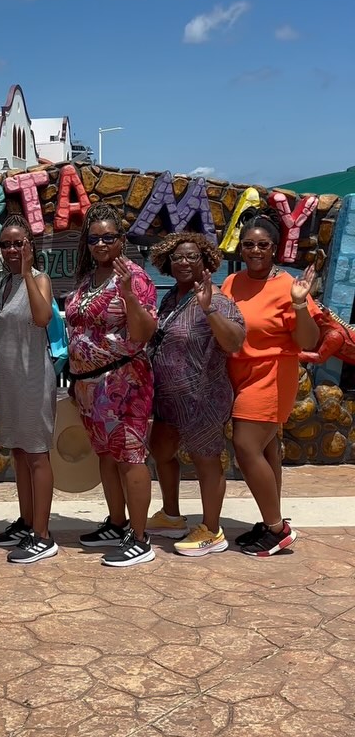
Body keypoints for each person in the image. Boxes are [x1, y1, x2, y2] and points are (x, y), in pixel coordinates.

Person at [222, 206, 319, 557]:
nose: (255, 250)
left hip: (271, 375)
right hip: (239, 374)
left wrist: (300, 304)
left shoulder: (289, 286)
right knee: (267, 450)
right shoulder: (232, 282)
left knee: (246, 446)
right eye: (249, 244)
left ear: (274, 248)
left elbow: (308, 340)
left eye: (263, 245)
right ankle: (269, 521)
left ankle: (278, 529)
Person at [65, 202, 158, 568]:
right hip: (89, 387)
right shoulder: (88, 279)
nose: (101, 244)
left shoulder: (135, 277)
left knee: (130, 458)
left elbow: (144, 332)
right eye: (94, 239)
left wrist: (129, 295)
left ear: (122, 239)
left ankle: (140, 537)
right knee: (107, 456)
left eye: (108, 237)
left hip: (125, 383)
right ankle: (117, 523)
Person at [148, 232, 245, 557]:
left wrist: (209, 310)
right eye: (177, 257)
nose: (184, 262)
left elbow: (234, 341)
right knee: (161, 451)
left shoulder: (217, 300)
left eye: (192, 256)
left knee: (206, 460)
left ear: (206, 262)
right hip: (168, 399)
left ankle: (212, 530)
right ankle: (171, 516)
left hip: (202, 397)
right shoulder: (171, 297)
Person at [0, 215, 58, 565]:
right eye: (6, 244)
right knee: (18, 452)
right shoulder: (5, 283)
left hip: (33, 378)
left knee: (36, 454)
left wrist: (29, 272)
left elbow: (42, 318)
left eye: (19, 243)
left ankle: (43, 535)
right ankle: (28, 521)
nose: (12, 249)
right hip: (8, 379)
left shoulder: (39, 279)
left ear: (30, 245)